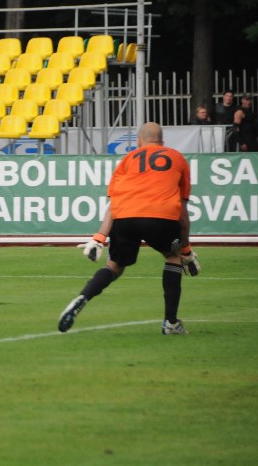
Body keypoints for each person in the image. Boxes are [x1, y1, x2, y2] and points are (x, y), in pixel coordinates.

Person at [57, 122, 199, 335]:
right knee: (172, 256)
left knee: (114, 265)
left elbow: (114, 204)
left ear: (139, 142)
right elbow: (183, 213)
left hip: (125, 218)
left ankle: (83, 297)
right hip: (161, 217)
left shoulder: (126, 160)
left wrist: (99, 237)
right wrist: (186, 250)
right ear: (162, 141)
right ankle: (171, 323)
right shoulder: (177, 158)